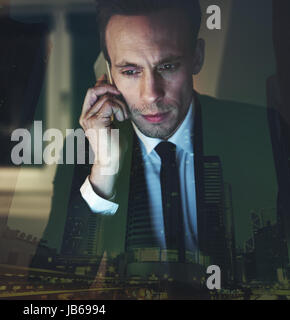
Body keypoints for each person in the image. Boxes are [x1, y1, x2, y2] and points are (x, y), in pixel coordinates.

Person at [31, 0, 278, 297]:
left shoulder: (260, 132)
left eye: (168, 66)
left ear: (197, 57)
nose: (151, 94)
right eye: (131, 71)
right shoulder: (84, 148)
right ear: (109, 74)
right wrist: (104, 172)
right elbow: (51, 284)